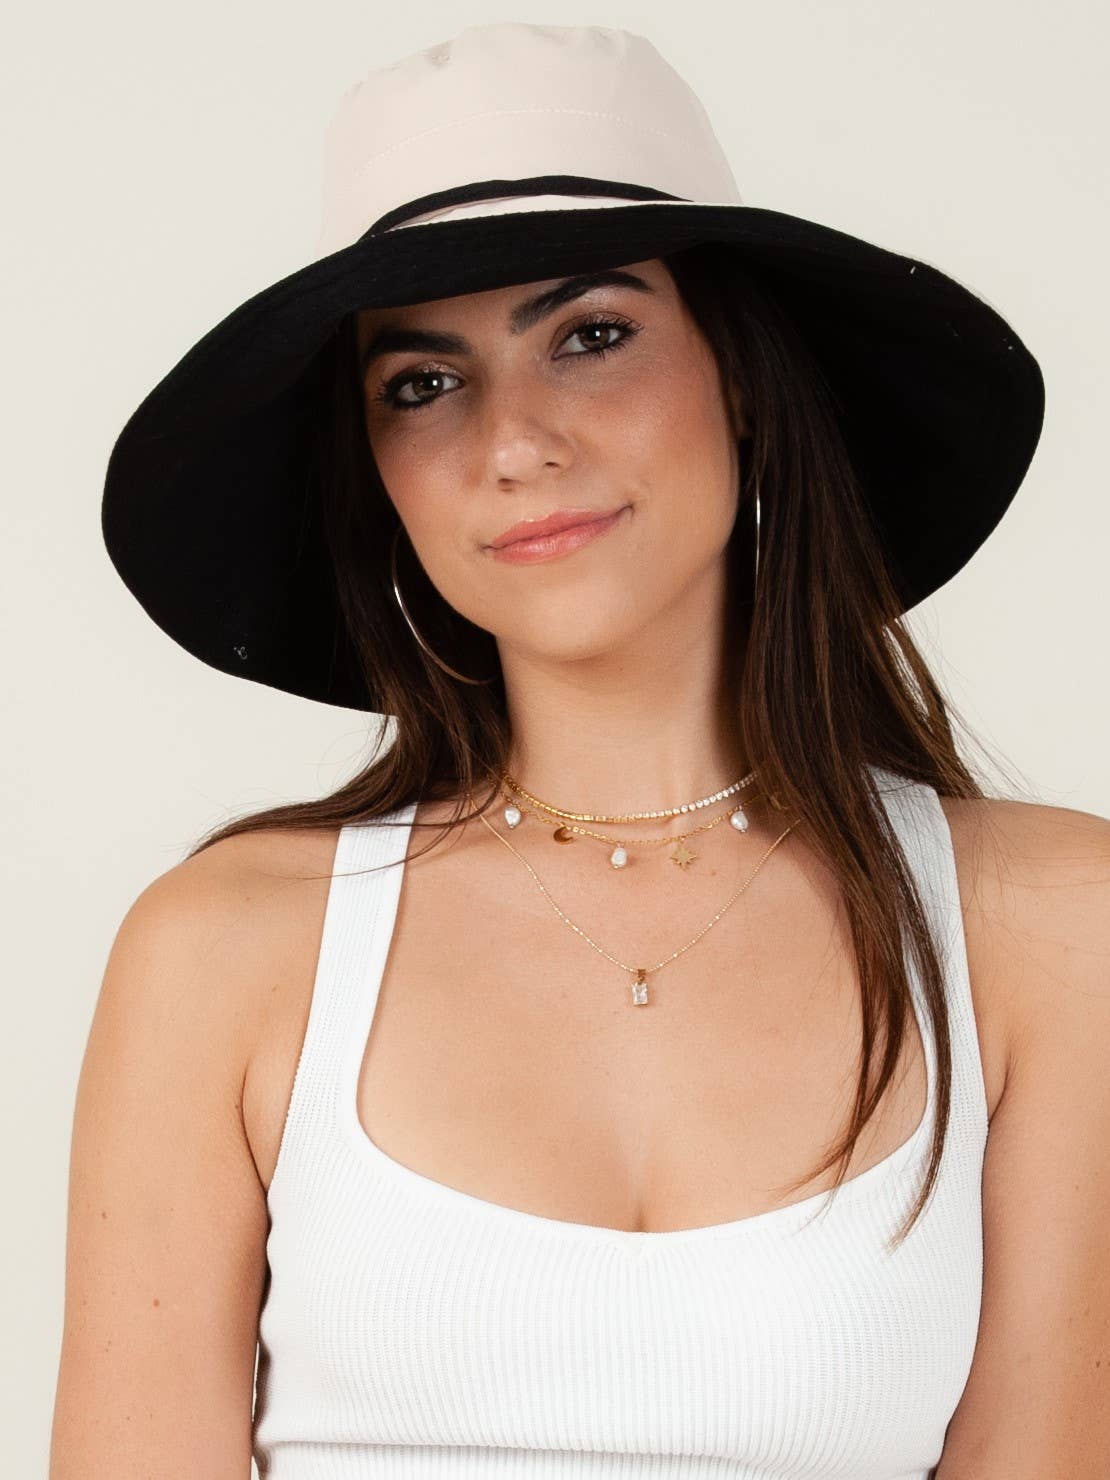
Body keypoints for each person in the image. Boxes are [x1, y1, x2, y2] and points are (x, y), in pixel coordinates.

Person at [52, 21, 1110, 1480]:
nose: (514, 444)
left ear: (745, 377)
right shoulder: (226, 952)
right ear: (377, 474)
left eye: (591, 336)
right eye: (422, 384)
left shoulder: (1049, 929)